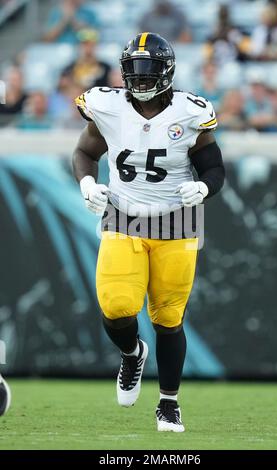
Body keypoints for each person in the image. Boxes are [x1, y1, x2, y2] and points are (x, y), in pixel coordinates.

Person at [72, 33, 225, 432]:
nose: (139, 81)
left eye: (148, 72)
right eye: (133, 73)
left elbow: (214, 166)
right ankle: (131, 353)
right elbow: (85, 153)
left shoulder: (190, 112)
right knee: (117, 306)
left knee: (169, 318)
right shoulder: (106, 106)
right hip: (124, 216)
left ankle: (169, 403)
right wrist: (88, 184)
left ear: (167, 72)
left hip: (176, 220)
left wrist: (205, 187)